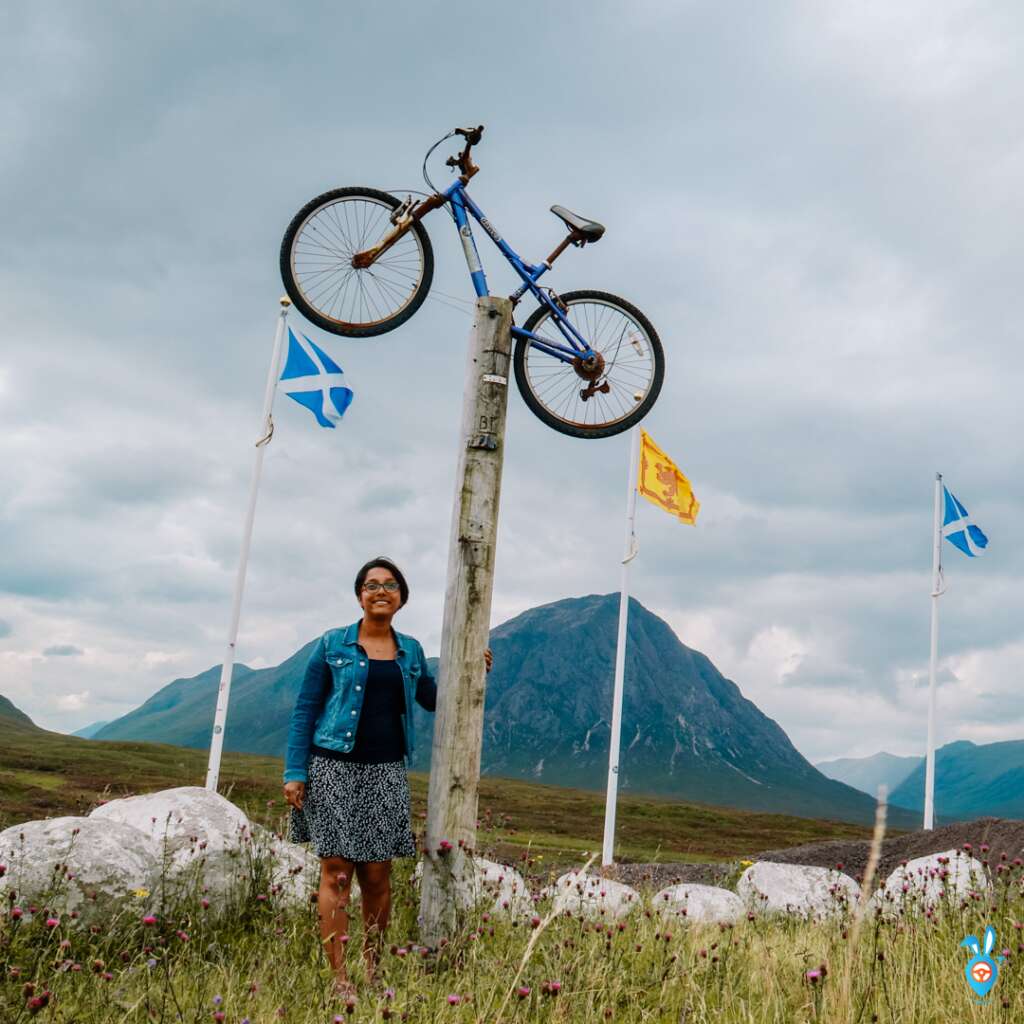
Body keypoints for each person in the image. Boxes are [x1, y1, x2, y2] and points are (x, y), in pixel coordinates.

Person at [282, 555, 491, 997]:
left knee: (376, 874)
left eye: (390, 585)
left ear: (401, 598)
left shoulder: (410, 650)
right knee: (337, 872)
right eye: (371, 584)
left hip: (386, 770)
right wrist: (295, 771)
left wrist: (473, 664)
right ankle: (340, 979)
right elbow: (305, 709)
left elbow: (434, 698)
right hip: (333, 767)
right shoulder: (331, 644)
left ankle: (373, 970)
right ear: (360, 595)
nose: (380, 591)